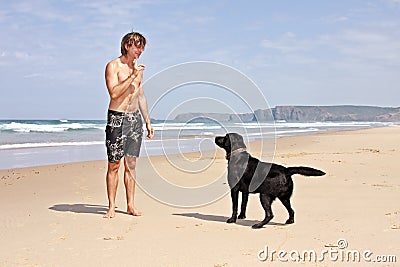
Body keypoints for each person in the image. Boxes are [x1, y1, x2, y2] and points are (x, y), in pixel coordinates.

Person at [103, 32, 154, 218]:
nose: (140, 51)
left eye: (142, 47)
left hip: (134, 120)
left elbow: (140, 96)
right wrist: (133, 75)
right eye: (137, 46)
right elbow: (114, 93)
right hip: (117, 118)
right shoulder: (113, 66)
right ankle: (111, 206)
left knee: (131, 164)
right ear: (127, 45)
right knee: (114, 164)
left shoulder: (138, 70)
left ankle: (131, 205)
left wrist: (148, 121)